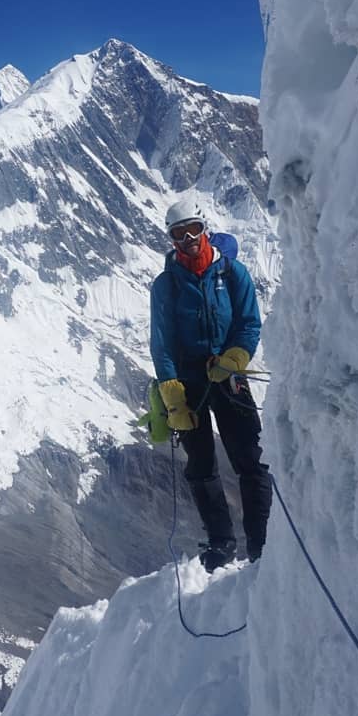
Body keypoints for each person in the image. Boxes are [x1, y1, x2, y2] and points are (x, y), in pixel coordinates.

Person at [149, 199, 272, 572]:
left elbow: (249, 323)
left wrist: (235, 357)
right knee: (200, 465)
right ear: (170, 239)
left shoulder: (233, 273)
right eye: (178, 234)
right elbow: (162, 340)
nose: (187, 240)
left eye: (193, 231)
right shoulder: (165, 286)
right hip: (188, 383)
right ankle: (222, 543)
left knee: (251, 459)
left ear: (205, 228)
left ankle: (261, 542)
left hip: (228, 375)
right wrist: (171, 389)